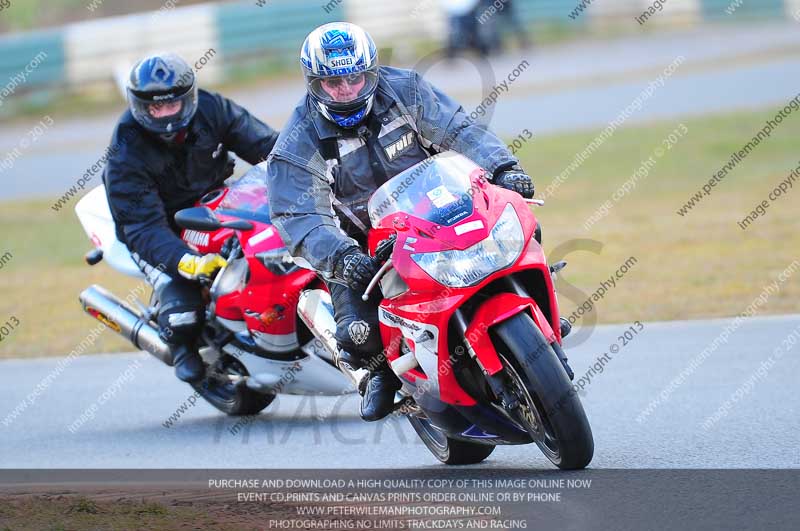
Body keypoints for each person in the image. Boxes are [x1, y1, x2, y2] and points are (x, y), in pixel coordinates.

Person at [266, 22, 534, 421]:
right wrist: (341, 257)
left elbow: (458, 129)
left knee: (520, 224)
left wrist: (502, 168)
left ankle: (532, 314)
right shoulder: (295, 143)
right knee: (358, 335)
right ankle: (380, 376)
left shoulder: (404, 90)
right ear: (313, 83)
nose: (346, 91)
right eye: (332, 83)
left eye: (355, 78)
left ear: (371, 72)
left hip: (437, 211)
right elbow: (298, 215)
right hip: (361, 246)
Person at [103, 52, 279, 382]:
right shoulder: (126, 150)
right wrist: (187, 261)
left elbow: (269, 146)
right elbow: (141, 227)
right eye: (156, 108)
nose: (167, 115)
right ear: (141, 106)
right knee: (182, 317)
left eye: (173, 105)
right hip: (162, 226)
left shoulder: (212, 109)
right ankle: (182, 345)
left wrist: (307, 170)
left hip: (216, 203)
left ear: (189, 98)